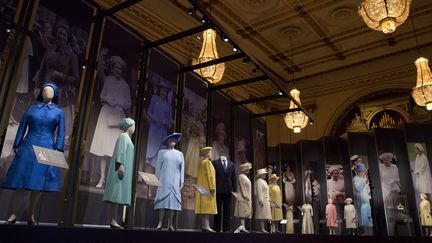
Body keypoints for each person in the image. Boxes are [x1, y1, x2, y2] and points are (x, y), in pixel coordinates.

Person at [2, 83, 65, 225]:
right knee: (20, 182)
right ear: (41, 93)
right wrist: (17, 143)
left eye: (50, 90)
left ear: (55, 94)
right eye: (45, 90)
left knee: (37, 184)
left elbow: (61, 133)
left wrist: (59, 149)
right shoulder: (31, 109)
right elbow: (22, 126)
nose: (47, 92)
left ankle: (31, 214)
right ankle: (13, 214)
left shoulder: (58, 112)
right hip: (28, 146)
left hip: (46, 148)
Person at [33, 19, 79, 144]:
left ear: (67, 38)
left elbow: (76, 79)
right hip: (44, 91)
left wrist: (61, 76)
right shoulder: (50, 48)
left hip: (60, 95)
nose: (60, 36)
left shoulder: (72, 56)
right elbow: (42, 68)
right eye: (59, 33)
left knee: (51, 124)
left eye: (63, 34)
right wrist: (37, 86)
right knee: (39, 121)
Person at [90, 51, 132, 189]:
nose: (117, 70)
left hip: (117, 118)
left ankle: (110, 179)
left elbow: (129, 103)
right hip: (106, 113)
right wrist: (109, 100)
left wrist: (120, 103)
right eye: (115, 68)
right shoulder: (108, 80)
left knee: (113, 150)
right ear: (113, 68)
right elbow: (102, 95)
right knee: (103, 150)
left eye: (120, 68)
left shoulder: (125, 86)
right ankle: (101, 178)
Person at [102, 118, 135, 229]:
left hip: (126, 168)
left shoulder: (128, 138)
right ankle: (113, 220)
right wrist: (121, 164)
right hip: (121, 168)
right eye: (133, 125)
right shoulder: (123, 137)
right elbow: (121, 151)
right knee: (116, 192)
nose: (134, 127)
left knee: (119, 194)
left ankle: (115, 220)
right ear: (129, 126)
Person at [154, 133, 184, 231]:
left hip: (175, 180)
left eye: (175, 139)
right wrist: (156, 179)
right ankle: (160, 223)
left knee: (172, 203)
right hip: (164, 180)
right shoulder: (162, 152)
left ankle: (170, 224)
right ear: (168, 141)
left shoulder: (180, 154)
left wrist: (182, 182)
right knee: (162, 202)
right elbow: (158, 167)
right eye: (171, 139)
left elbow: (182, 168)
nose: (173, 141)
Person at [145, 79, 173, 169]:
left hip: (163, 134)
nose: (164, 92)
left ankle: (153, 181)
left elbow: (170, 123)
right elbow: (149, 111)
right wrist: (154, 118)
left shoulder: (168, 106)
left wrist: (167, 123)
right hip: (154, 131)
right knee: (149, 155)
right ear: (160, 90)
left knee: (158, 159)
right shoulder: (154, 98)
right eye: (163, 90)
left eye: (166, 91)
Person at [212, 153, 236, 232]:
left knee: (227, 210)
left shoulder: (231, 164)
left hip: (228, 190)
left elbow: (233, 178)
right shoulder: (215, 163)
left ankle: (226, 229)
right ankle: (216, 228)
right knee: (217, 210)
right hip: (218, 189)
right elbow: (213, 176)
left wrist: (235, 190)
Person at [195, 146, 217, 232]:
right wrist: (212, 187)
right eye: (210, 153)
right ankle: (206, 226)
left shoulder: (202, 162)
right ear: (207, 154)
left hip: (203, 188)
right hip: (207, 188)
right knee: (207, 207)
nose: (211, 154)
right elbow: (210, 176)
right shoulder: (207, 162)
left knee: (204, 208)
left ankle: (204, 225)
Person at [353, 163, 373, 230]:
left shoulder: (364, 178)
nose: (362, 173)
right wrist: (364, 182)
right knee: (361, 216)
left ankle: (368, 226)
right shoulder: (355, 179)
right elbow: (358, 188)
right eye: (360, 172)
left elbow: (367, 188)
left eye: (363, 171)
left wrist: (369, 193)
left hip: (366, 199)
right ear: (358, 172)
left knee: (367, 214)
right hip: (360, 200)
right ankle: (362, 227)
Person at [234, 162, 252, 233]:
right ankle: (242, 227)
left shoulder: (245, 177)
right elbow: (242, 187)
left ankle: (243, 227)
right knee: (242, 212)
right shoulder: (241, 176)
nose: (248, 170)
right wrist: (245, 195)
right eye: (247, 169)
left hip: (246, 196)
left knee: (245, 211)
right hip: (243, 197)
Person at [254, 168, 271, 233]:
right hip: (263, 200)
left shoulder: (264, 181)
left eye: (264, 174)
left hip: (266, 199)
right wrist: (260, 200)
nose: (264, 175)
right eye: (263, 174)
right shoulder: (259, 181)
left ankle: (264, 228)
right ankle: (262, 228)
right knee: (262, 215)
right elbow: (259, 191)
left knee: (265, 214)